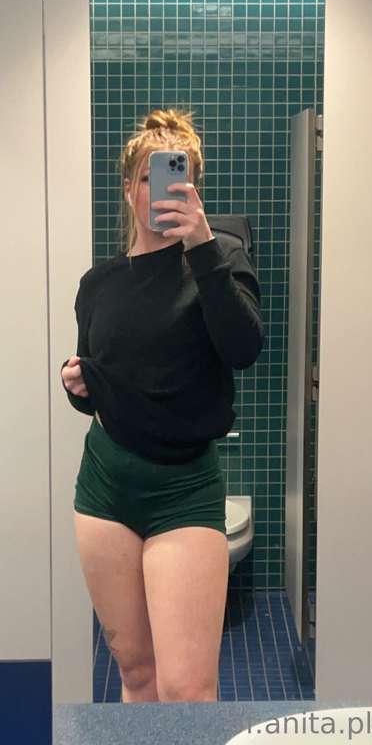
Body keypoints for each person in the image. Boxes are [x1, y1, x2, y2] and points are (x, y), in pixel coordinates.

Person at [61, 107, 264, 704]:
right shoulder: (97, 284)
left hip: (185, 489)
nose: (163, 189)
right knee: (137, 674)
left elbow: (243, 349)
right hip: (105, 488)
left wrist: (201, 245)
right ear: (129, 189)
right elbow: (99, 378)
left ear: (193, 187)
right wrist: (76, 385)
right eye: (149, 177)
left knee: (188, 690)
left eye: (179, 176)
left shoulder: (220, 261)